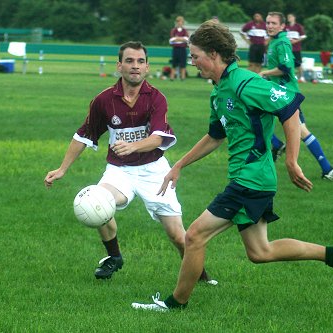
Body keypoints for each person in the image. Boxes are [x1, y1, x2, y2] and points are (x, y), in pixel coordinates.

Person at [131, 22, 333, 312]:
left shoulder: (245, 82)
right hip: (249, 178)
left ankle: (174, 304)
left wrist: (291, 160)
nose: (192, 62)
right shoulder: (219, 91)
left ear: (213, 54)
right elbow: (216, 136)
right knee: (260, 252)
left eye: (195, 55)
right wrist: (179, 164)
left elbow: (289, 111)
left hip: (251, 178)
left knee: (194, 236)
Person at [44, 41, 216, 284]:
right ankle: (114, 257)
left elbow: (158, 138)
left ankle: (200, 276)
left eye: (140, 61)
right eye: (129, 61)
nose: (135, 66)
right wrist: (62, 169)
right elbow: (84, 134)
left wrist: (133, 146)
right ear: (119, 66)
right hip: (119, 171)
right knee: (96, 200)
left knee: (178, 236)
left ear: (147, 67)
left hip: (154, 171)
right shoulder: (103, 100)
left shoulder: (156, 98)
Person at [259, 12, 333, 180]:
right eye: (268, 23)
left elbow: (286, 68)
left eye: (273, 23)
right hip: (278, 93)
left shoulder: (282, 43)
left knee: (301, 131)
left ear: (282, 26)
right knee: (254, 115)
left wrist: (264, 72)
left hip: (287, 94)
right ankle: (277, 145)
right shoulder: (274, 42)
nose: (270, 26)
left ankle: (327, 168)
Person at [286, 13, 307, 82]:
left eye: (290, 17)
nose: (289, 18)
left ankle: (302, 77)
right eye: (288, 17)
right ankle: (291, 77)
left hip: (296, 48)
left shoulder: (298, 26)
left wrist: (296, 41)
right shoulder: (286, 27)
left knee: (298, 64)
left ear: (294, 18)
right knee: (289, 63)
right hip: (288, 48)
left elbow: (303, 36)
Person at [169, 16, 189, 81]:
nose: (179, 23)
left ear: (182, 23)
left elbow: (187, 39)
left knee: (183, 64)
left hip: (183, 49)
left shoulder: (185, 31)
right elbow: (171, 40)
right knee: (174, 64)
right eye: (178, 22)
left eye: (181, 22)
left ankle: (182, 77)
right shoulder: (173, 30)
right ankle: (172, 77)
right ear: (176, 22)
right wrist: (181, 39)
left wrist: (177, 38)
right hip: (175, 49)